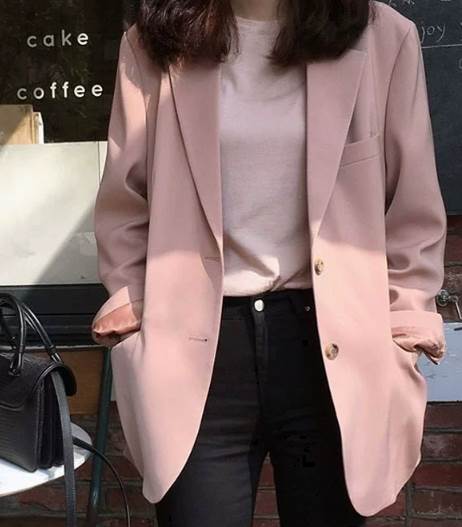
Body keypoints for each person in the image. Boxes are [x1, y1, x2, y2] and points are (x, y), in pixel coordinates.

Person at [91, 0, 447, 525]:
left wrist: (404, 327)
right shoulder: (154, 44)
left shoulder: (382, 38)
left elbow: (412, 209)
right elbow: (124, 203)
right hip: (195, 347)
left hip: (332, 350)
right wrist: (134, 314)